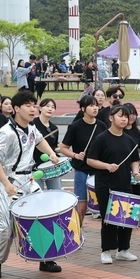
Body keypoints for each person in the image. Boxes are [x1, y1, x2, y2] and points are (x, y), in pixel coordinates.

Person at [0, 90, 61, 278]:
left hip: (30, 180)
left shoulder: (31, 128)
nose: (33, 109)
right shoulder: (5, 133)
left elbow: (40, 140)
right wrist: (6, 184)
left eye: (34, 106)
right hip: (10, 182)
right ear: (16, 108)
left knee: (42, 218)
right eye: (28, 106)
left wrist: (51, 153)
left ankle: (45, 258)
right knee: (5, 226)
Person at [86, 105, 140, 264]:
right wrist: (106, 166)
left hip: (124, 183)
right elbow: (90, 160)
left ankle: (123, 250)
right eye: (120, 116)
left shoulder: (129, 140)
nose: (124, 119)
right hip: (105, 184)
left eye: (126, 116)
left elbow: (134, 160)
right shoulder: (101, 139)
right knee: (109, 218)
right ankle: (106, 250)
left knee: (126, 217)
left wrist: (135, 171)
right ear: (111, 118)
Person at [60, 95, 108, 227]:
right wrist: (75, 155)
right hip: (81, 169)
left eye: (96, 105)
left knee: (102, 204)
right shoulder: (75, 126)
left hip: (98, 170)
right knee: (81, 205)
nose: (95, 108)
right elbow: (63, 148)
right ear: (82, 108)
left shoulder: (102, 125)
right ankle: (77, 230)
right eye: (91, 106)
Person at [123, 103, 140, 228]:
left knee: (137, 191)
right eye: (129, 114)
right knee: (125, 190)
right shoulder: (120, 130)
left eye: (134, 114)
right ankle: (125, 216)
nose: (132, 117)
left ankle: (139, 217)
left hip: (135, 164)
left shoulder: (137, 132)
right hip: (122, 165)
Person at [33, 98, 61, 190]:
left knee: (56, 192)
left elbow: (54, 148)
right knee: (37, 194)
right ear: (40, 108)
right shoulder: (32, 125)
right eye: (47, 106)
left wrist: (59, 152)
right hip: (35, 166)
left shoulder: (54, 128)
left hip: (51, 166)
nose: (50, 109)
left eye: (52, 107)